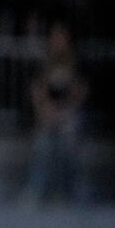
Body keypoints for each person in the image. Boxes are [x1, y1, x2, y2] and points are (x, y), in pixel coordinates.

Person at [22, 20, 86, 204]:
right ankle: (35, 190)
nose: (57, 41)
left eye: (61, 37)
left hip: (69, 112)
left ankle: (68, 192)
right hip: (47, 112)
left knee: (67, 143)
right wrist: (46, 109)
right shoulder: (43, 62)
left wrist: (63, 110)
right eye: (54, 37)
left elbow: (80, 92)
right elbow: (36, 90)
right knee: (42, 145)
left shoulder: (76, 62)